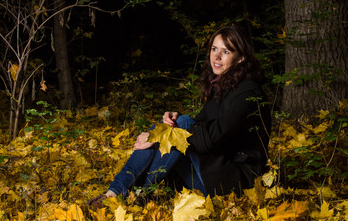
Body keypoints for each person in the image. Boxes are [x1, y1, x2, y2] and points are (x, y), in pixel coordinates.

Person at [87, 26, 271, 209]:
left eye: (226, 51)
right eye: (214, 49)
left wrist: (158, 137)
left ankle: (127, 194)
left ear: (241, 58)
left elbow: (212, 137)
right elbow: (198, 124)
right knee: (176, 122)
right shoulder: (224, 86)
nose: (216, 56)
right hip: (214, 173)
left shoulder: (247, 92)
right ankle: (119, 194)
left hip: (233, 185)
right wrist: (173, 122)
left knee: (178, 126)